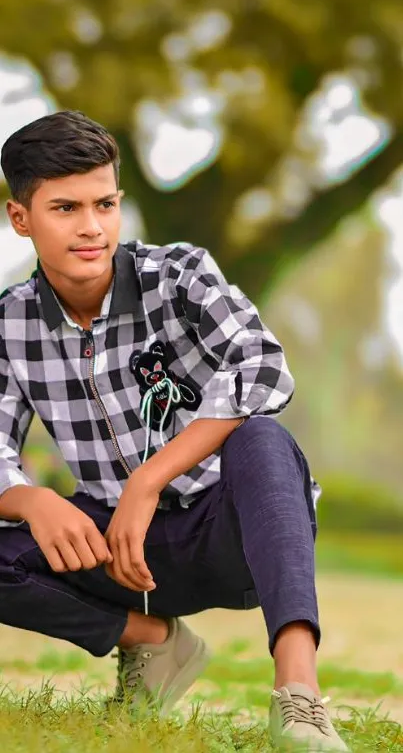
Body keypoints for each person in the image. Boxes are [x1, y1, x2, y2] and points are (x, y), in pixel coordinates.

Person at [0, 110, 348, 752]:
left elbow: (262, 366)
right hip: (120, 556)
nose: (91, 228)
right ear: (21, 218)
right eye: (65, 208)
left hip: (233, 538)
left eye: (105, 204)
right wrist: (32, 499)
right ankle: (156, 644)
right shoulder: (10, 324)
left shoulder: (179, 274)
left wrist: (147, 481)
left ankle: (298, 699)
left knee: (263, 437)